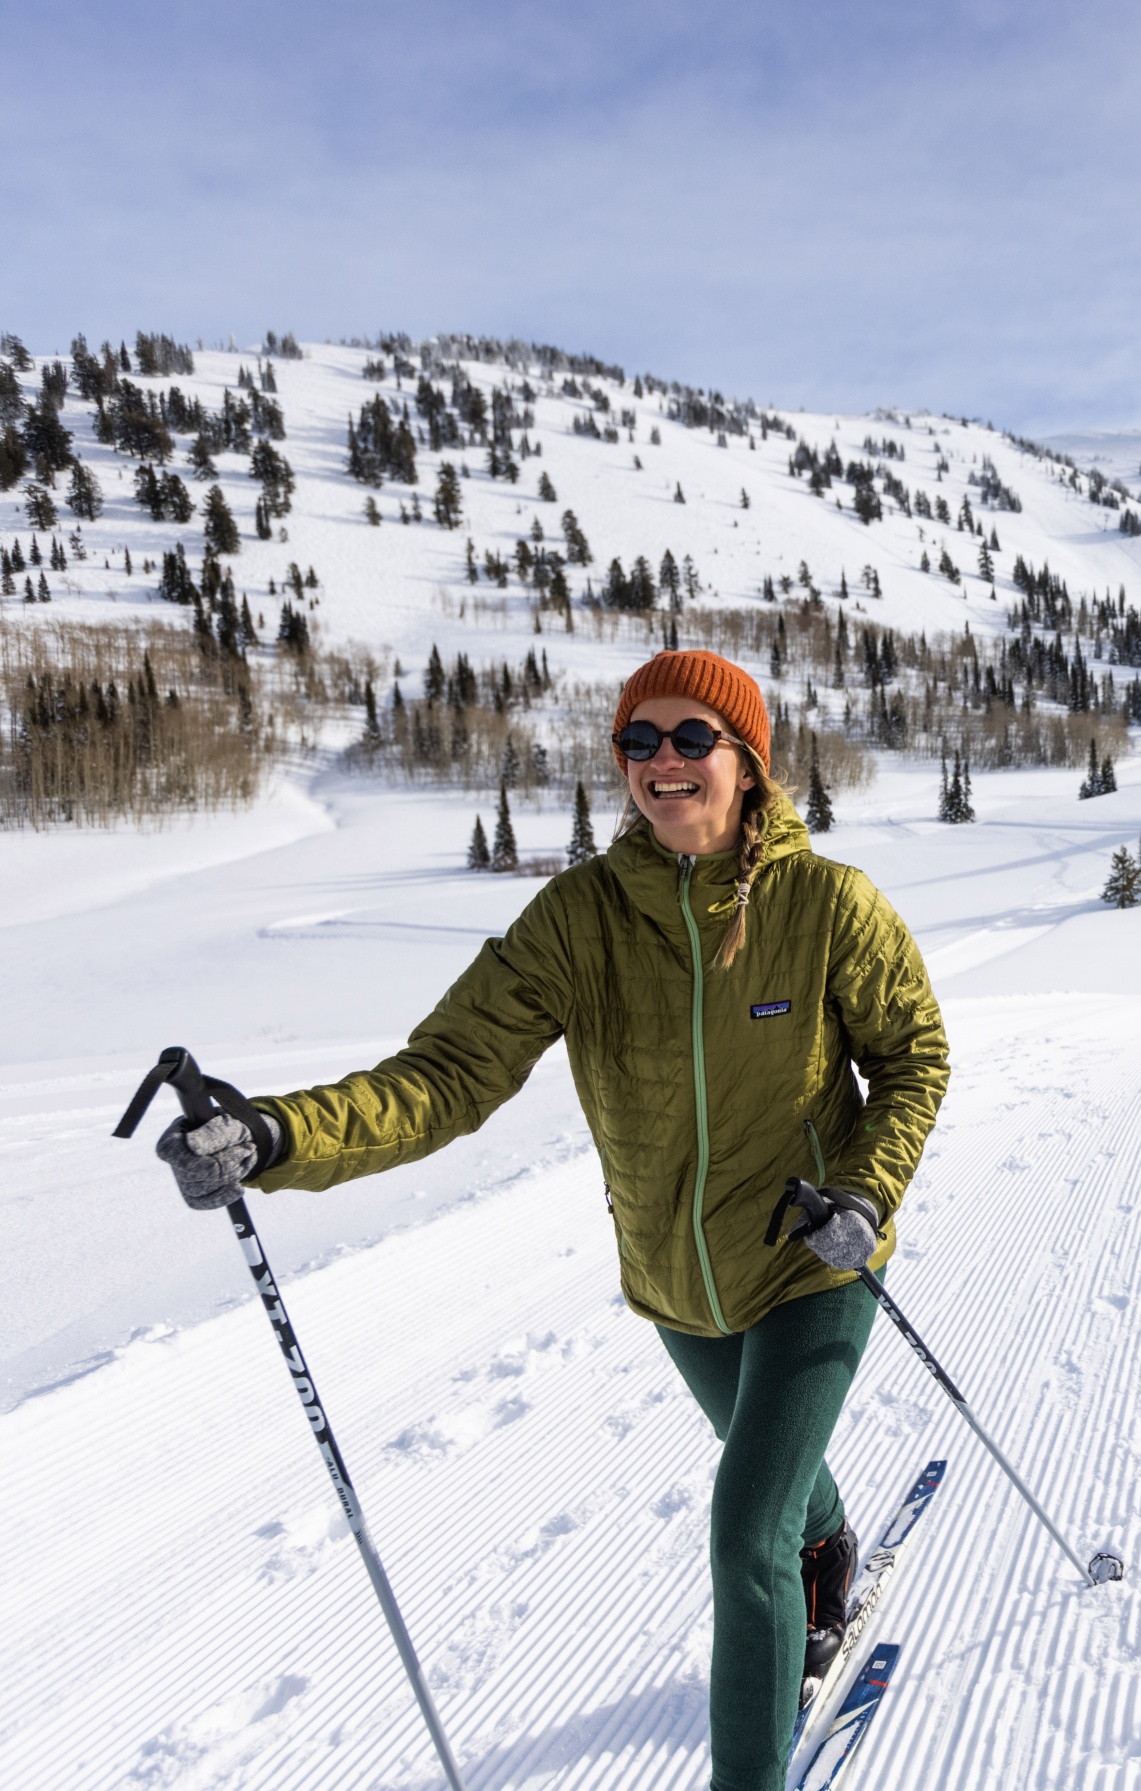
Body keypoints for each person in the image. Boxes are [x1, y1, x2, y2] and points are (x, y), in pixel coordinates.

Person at [156, 648, 950, 1791]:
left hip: (811, 1263)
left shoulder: (829, 908)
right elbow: (444, 1076)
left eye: (692, 741)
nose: (663, 765)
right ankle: (824, 1549)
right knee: (768, 1471)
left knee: (741, 1534)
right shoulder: (578, 920)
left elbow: (914, 1059)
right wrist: (279, 1137)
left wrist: (867, 1190)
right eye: (639, 742)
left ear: (748, 762)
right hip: (677, 1282)